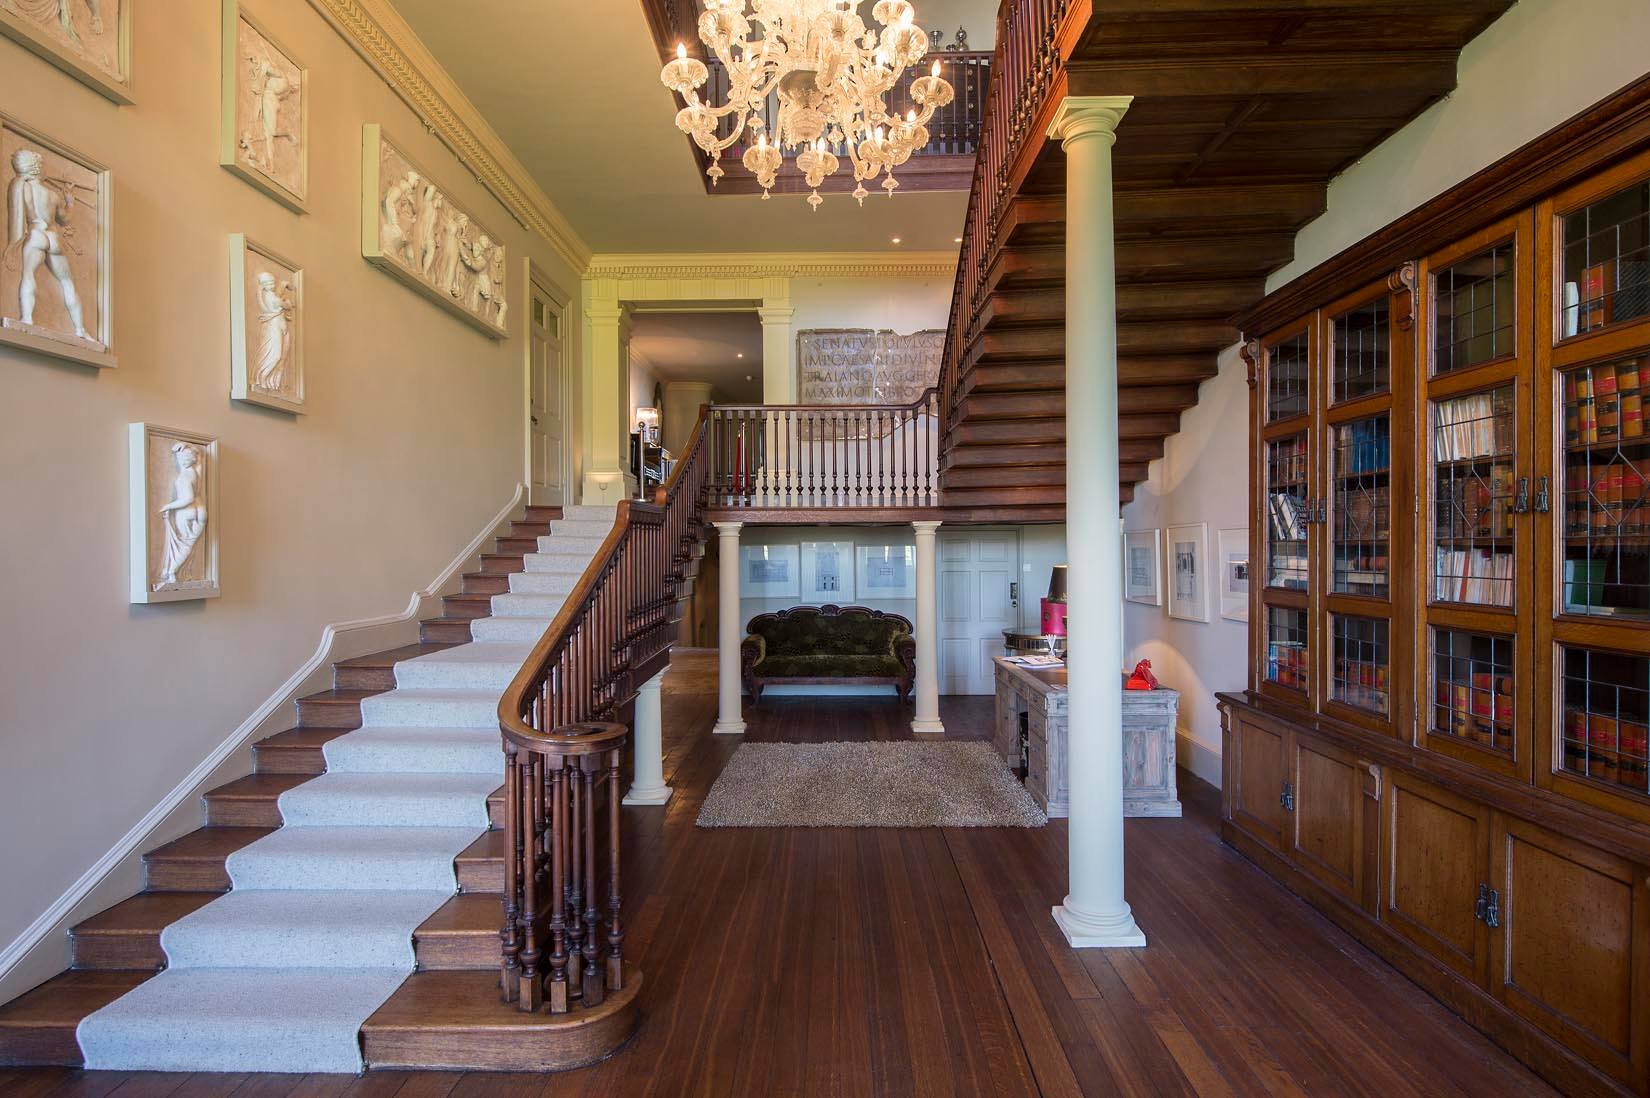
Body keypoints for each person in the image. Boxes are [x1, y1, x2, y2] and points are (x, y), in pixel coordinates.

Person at [5, 148, 91, 342]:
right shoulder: (52, 195)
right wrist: (70, 201)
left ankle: (27, 318)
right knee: (68, 283)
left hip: (36, 234)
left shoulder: (20, 186)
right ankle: (80, 329)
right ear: (37, 168)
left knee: (28, 275)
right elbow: (65, 219)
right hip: (54, 238)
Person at [158, 442, 207, 587]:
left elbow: (188, 499)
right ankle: (182, 573)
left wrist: (169, 506)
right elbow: (200, 456)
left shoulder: (184, 477)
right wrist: (186, 445)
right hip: (201, 513)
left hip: (187, 512)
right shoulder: (196, 470)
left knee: (184, 545)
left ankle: (172, 572)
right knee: (189, 544)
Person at [253, 271, 294, 391]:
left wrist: (284, 284)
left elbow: (280, 297)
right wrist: (287, 302)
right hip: (275, 326)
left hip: (282, 326)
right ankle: (261, 379)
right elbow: (287, 305)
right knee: (276, 355)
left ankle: (273, 383)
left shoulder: (272, 294)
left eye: (273, 283)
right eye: (268, 283)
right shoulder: (269, 297)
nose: (272, 285)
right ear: (263, 285)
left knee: (283, 356)